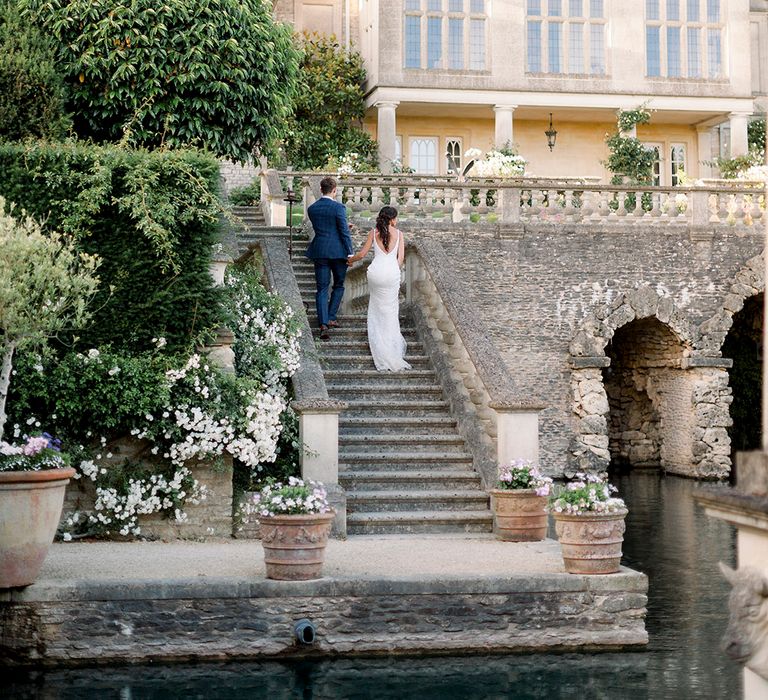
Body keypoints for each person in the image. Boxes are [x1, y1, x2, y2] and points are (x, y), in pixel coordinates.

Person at [347, 206, 411, 372]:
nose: (396, 221)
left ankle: (378, 343)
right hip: (391, 274)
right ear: (391, 219)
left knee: (376, 307)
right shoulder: (399, 234)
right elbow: (401, 258)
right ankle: (390, 347)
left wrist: (350, 260)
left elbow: (361, 255)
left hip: (376, 273)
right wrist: (393, 272)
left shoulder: (373, 233)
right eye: (395, 218)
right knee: (390, 310)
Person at [306, 176, 354, 340]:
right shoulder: (339, 207)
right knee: (339, 285)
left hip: (320, 250)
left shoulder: (312, 209)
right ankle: (331, 316)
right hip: (339, 252)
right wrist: (350, 253)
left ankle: (323, 323)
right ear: (334, 190)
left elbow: (324, 227)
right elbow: (343, 232)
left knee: (322, 288)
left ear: (321, 189)